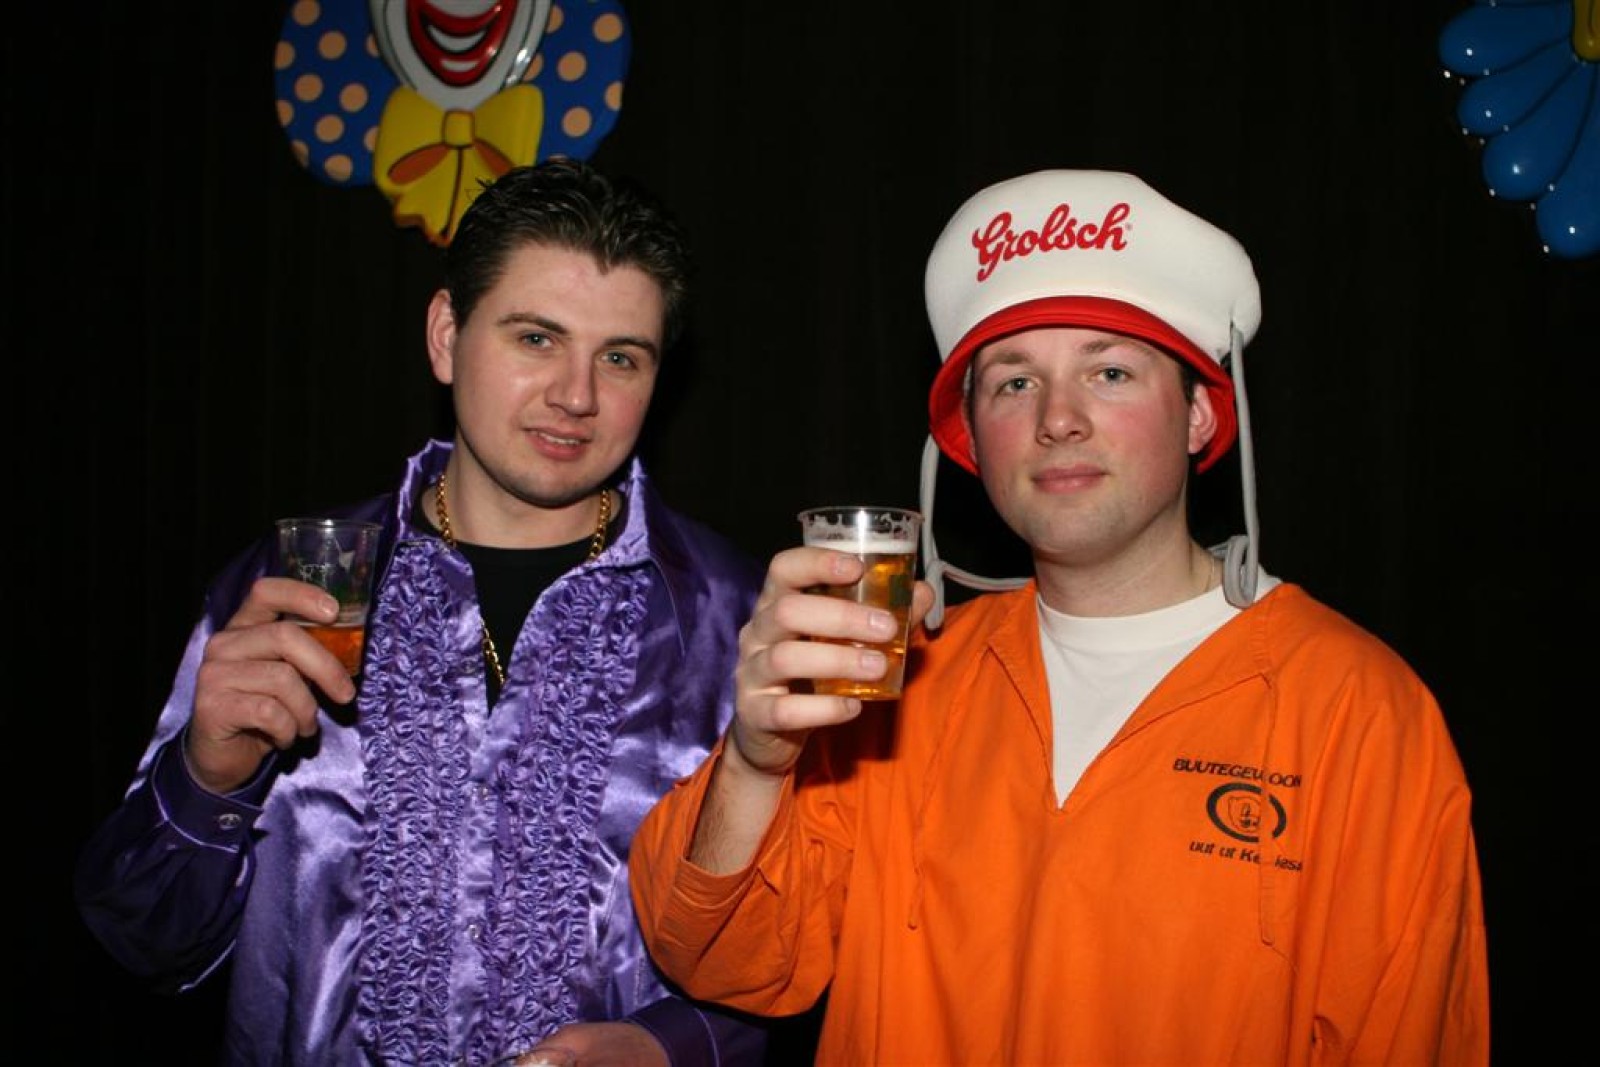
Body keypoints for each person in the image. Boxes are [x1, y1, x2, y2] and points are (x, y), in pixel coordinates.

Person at [627, 169, 1490, 1064]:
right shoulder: (896, 685)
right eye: (1013, 382)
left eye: (1109, 372)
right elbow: (721, 959)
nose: (1058, 420)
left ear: (1200, 415)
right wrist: (756, 760)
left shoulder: (1359, 712)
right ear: (969, 437)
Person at [76, 158, 769, 1067]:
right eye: (536, 338)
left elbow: (805, 952)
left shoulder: (738, 623)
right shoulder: (294, 589)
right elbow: (142, 944)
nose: (577, 395)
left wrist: (667, 1047)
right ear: (446, 335)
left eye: (620, 357)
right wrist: (208, 778)